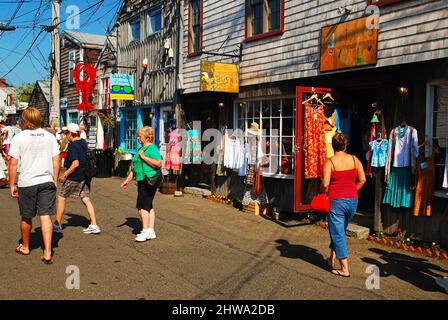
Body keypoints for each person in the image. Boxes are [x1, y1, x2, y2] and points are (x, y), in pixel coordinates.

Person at [8, 107, 60, 264]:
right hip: (46, 180)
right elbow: (56, 159)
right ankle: (48, 252)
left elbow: (13, 163)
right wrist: (55, 179)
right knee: (45, 216)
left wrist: (12, 184)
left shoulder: (19, 138)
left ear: (25, 120)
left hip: (27, 182)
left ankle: (25, 246)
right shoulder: (49, 136)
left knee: (27, 215)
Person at [321, 133, 366, 277]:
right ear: (345, 145)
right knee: (339, 231)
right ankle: (331, 258)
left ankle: (344, 268)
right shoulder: (354, 159)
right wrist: (352, 190)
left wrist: (325, 192)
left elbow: (325, 185)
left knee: (338, 233)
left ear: (332, 146)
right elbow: (362, 179)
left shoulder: (330, 162)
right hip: (353, 200)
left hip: (336, 201)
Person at [53, 123, 101, 234]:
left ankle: (57, 224)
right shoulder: (83, 142)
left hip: (76, 176)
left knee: (61, 197)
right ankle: (94, 224)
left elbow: (75, 163)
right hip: (86, 175)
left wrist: (64, 175)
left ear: (71, 133)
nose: (65, 135)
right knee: (85, 198)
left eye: (66, 133)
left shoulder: (74, 145)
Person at [121, 126, 162, 242]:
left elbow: (158, 163)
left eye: (140, 136)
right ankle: (150, 230)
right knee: (148, 206)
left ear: (147, 137)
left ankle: (145, 231)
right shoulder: (141, 148)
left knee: (141, 207)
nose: (138, 138)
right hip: (141, 179)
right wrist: (127, 180)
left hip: (148, 180)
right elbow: (135, 168)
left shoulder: (152, 148)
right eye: (138, 136)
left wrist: (144, 157)